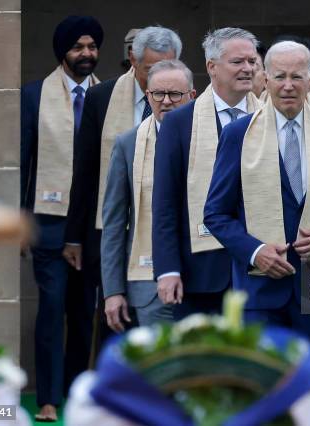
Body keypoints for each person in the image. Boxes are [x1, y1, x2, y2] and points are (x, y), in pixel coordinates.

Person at [203, 41, 310, 370]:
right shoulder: (238, 134)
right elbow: (215, 214)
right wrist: (255, 250)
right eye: (279, 77)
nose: (288, 85)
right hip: (259, 289)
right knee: (261, 392)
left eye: (296, 77)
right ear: (264, 78)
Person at [63, 26, 181, 341]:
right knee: (114, 323)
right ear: (132, 59)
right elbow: (85, 168)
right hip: (115, 225)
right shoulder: (103, 97)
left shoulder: (191, 115)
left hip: (171, 240)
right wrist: (74, 235)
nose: (159, 80)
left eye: (165, 68)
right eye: (149, 70)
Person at [20, 15, 103, 422]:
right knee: (51, 309)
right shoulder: (34, 95)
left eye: (91, 47)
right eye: (78, 47)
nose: (86, 54)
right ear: (63, 52)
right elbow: (21, 162)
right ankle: (49, 397)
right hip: (49, 224)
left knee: (84, 312)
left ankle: (75, 394)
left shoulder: (108, 96)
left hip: (92, 227)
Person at [152, 27, 261, 319]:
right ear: (212, 67)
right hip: (200, 272)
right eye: (238, 62)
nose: (248, 68)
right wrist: (168, 269)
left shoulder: (269, 118)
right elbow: (164, 203)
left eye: (253, 61)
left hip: (261, 271)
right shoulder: (179, 122)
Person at [101, 60, 196, 333]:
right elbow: (114, 222)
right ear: (148, 96)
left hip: (203, 280)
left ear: (192, 96)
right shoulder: (127, 143)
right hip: (148, 284)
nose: (165, 102)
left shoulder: (212, 138)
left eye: (175, 94)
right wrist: (113, 291)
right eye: (157, 94)